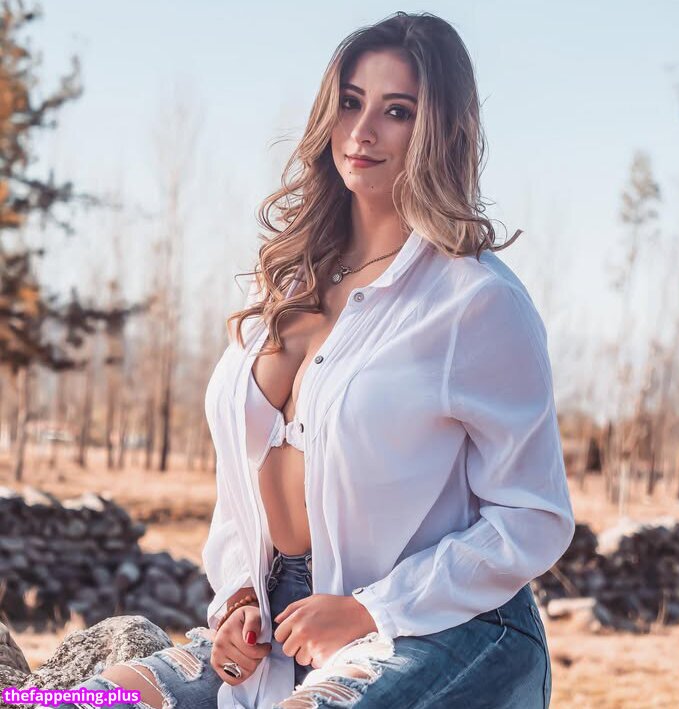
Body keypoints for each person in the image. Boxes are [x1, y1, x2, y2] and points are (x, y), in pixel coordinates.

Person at [53, 10, 574, 709]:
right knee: (76, 702)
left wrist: (369, 610)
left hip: (443, 625)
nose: (363, 131)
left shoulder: (475, 300)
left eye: (397, 111)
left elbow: (534, 516)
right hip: (283, 622)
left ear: (441, 131)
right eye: (351, 102)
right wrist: (239, 594)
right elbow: (239, 477)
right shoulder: (280, 278)